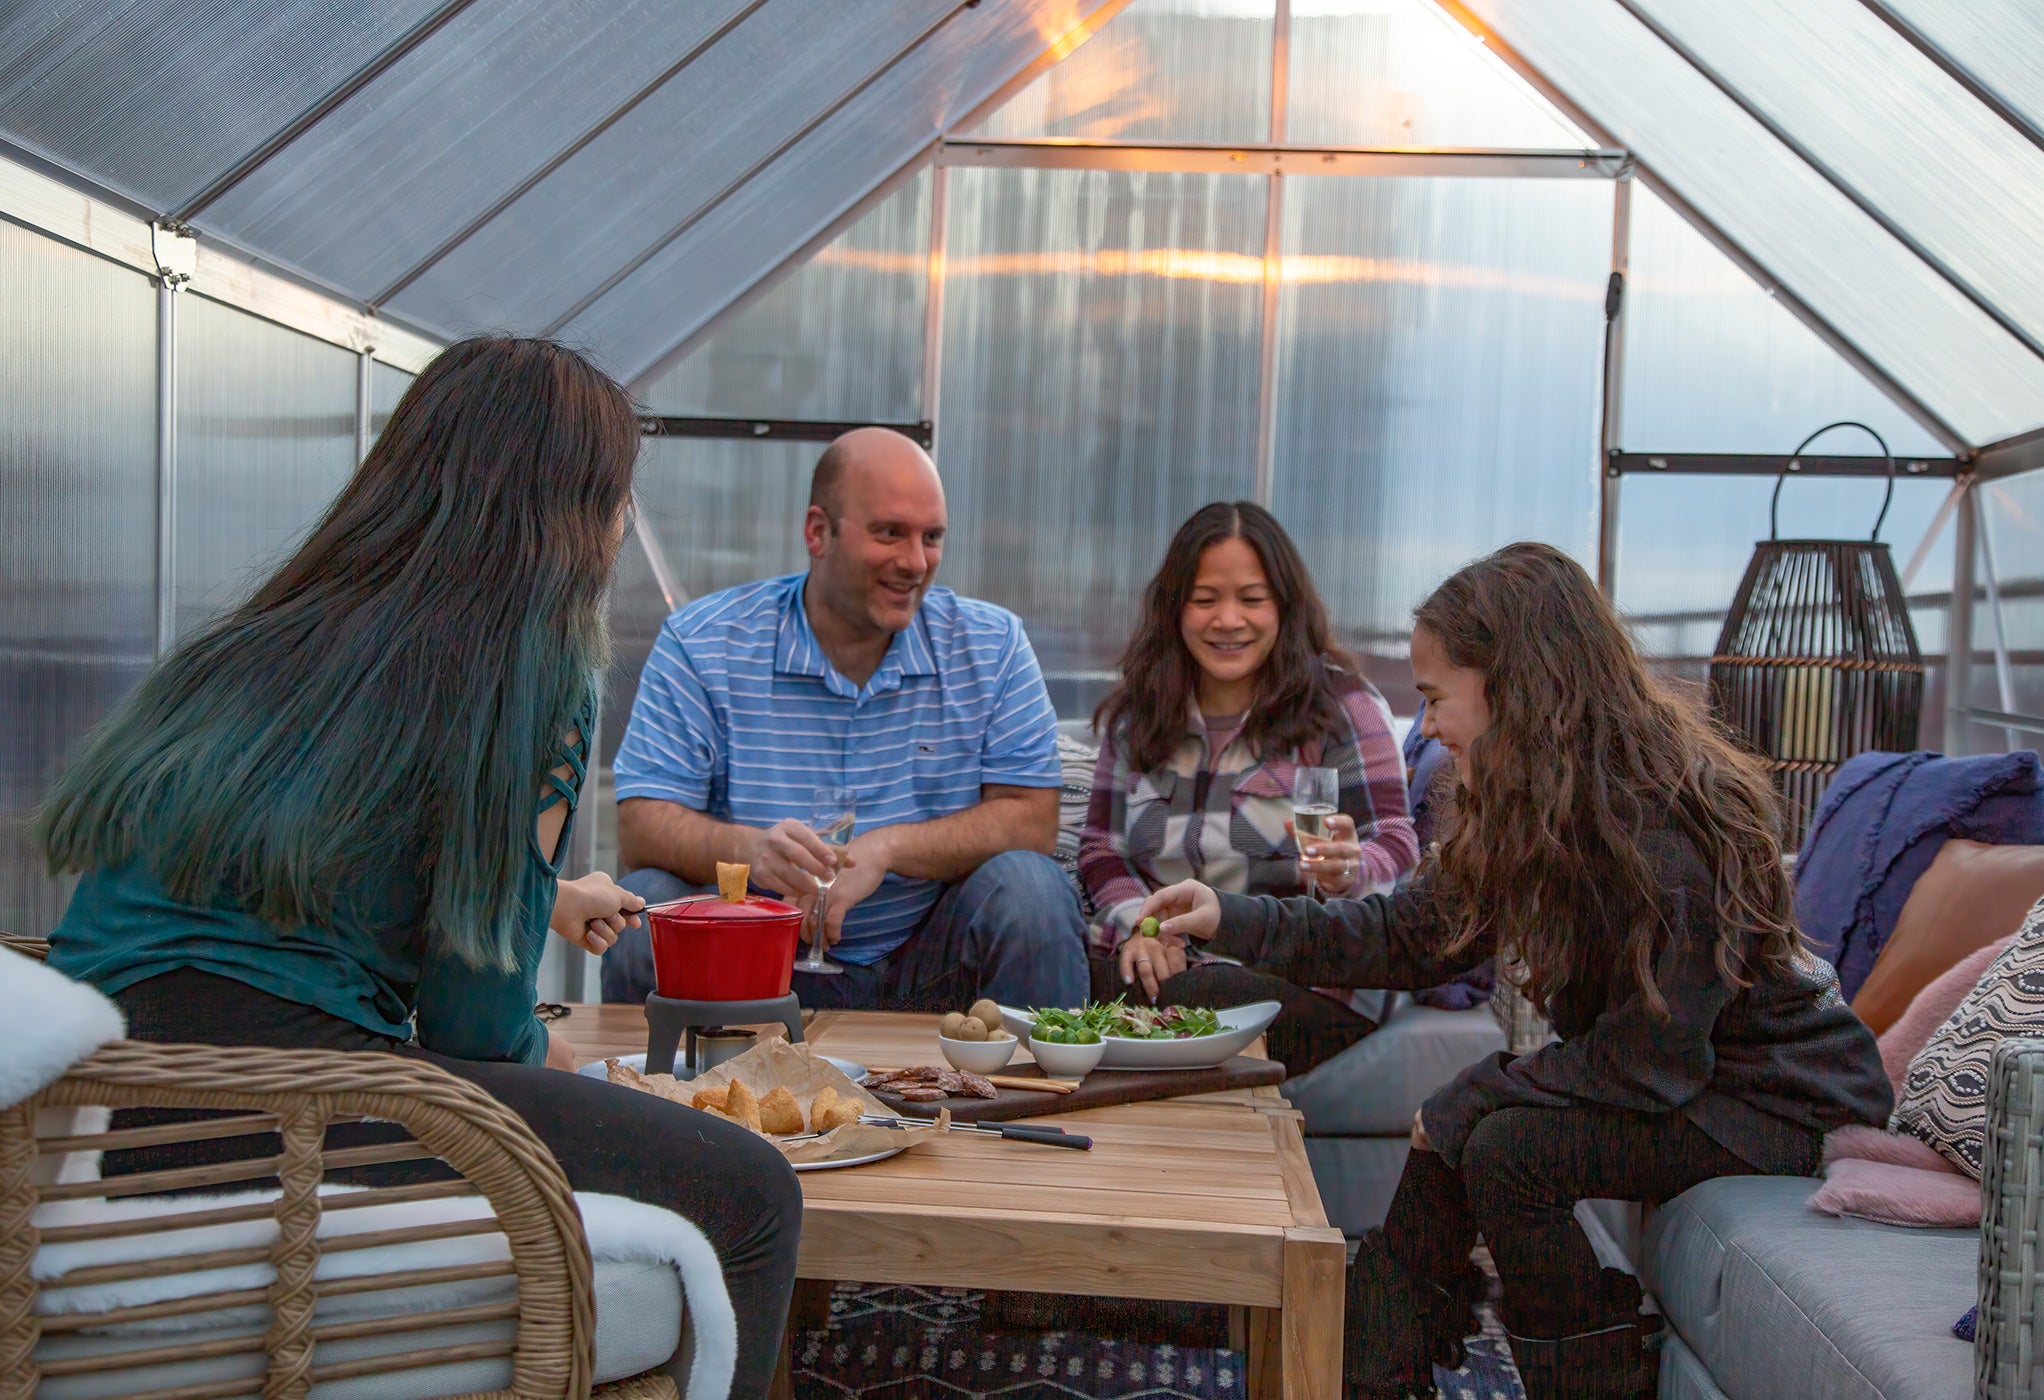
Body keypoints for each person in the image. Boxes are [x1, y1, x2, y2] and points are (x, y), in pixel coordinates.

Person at [38, 336, 801, 1400]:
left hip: (91, 1101)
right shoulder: (532, 665)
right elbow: (473, 1022)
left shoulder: (251, 640)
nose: (625, 524)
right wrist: (547, 1060)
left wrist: (546, 902)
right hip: (289, 1108)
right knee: (752, 1190)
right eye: (617, 495)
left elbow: (301, 872)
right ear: (566, 509)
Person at [1134, 543, 1891, 1400]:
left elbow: (1652, 1060)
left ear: (1513, 685)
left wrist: (1461, 1101)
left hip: (1778, 1100)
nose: (1425, 728)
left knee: (1506, 1147)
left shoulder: (1667, 823)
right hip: (1691, 1077)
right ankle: (1376, 1367)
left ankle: (1487, 1373)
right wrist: (1230, 916)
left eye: (1433, 699)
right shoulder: (1527, 802)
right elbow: (1406, 937)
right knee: (1487, 1135)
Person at [604, 427, 1086, 1012]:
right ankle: (652, 1077)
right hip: (753, 958)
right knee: (644, 908)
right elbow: (641, 825)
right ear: (818, 532)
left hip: (929, 960)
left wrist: (885, 849)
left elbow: (1031, 821)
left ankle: (1030, 1076)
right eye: (890, 533)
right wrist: (751, 850)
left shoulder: (991, 645)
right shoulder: (706, 644)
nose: (915, 563)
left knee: (1033, 892)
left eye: (932, 537)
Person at [1078, 501, 1417, 1076]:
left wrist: (1349, 869)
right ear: (1175, 607)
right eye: (1205, 599)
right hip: (1172, 967)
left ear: (1284, 605)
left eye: (1252, 599)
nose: (1228, 620)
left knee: (1195, 999)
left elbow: (1395, 841)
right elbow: (1102, 848)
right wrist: (1144, 930)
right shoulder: (1138, 715)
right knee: (1078, 975)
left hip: (1303, 978)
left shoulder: (1343, 707)